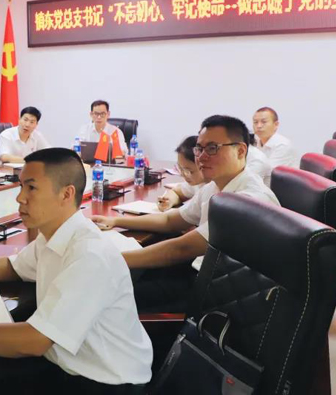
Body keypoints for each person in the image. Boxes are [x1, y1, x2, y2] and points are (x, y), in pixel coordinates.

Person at [0, 148, 151, 393]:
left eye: (31, 188)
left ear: (66, 194)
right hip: (66, 364)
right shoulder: (54, 235)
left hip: (106, 382)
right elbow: (14, 266)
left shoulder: (89, 255)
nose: (20, 198)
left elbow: (35, 341)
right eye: (21, 186)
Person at [93, 115, 279, 312]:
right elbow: (171, 220)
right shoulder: (216, 185)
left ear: (240, 150)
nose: (201, 157)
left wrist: (116, 259)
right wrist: (115, 221)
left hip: (221, 292)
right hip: (202, 268)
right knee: (122, 280)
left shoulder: (249, 200)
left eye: (212, 148)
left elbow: (182, 248)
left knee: (113, 296)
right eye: (199, 148)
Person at [156, 136, 205, 212]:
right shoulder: (197, 183)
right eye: (180, 168)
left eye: (188, 171)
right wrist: (168, 201)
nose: (183, 175)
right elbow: (176, 192)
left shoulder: (211, 189)